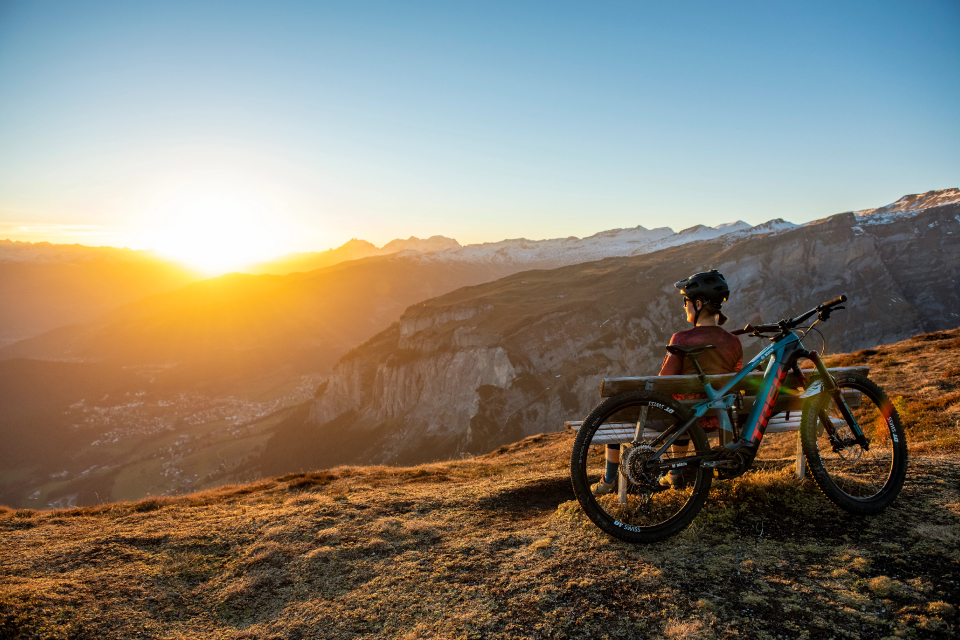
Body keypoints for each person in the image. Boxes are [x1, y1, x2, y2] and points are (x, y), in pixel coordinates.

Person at [592, 269, 743, 495]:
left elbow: (665, 382)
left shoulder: (682, 339)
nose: (685, 306)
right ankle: (674, 475)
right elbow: (736, 380)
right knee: (685, 409)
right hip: (716, 418)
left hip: (685, 419)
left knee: (616, 415)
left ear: (699, 304)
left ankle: (608, 481)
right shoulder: (733, 342)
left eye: (687, 301)